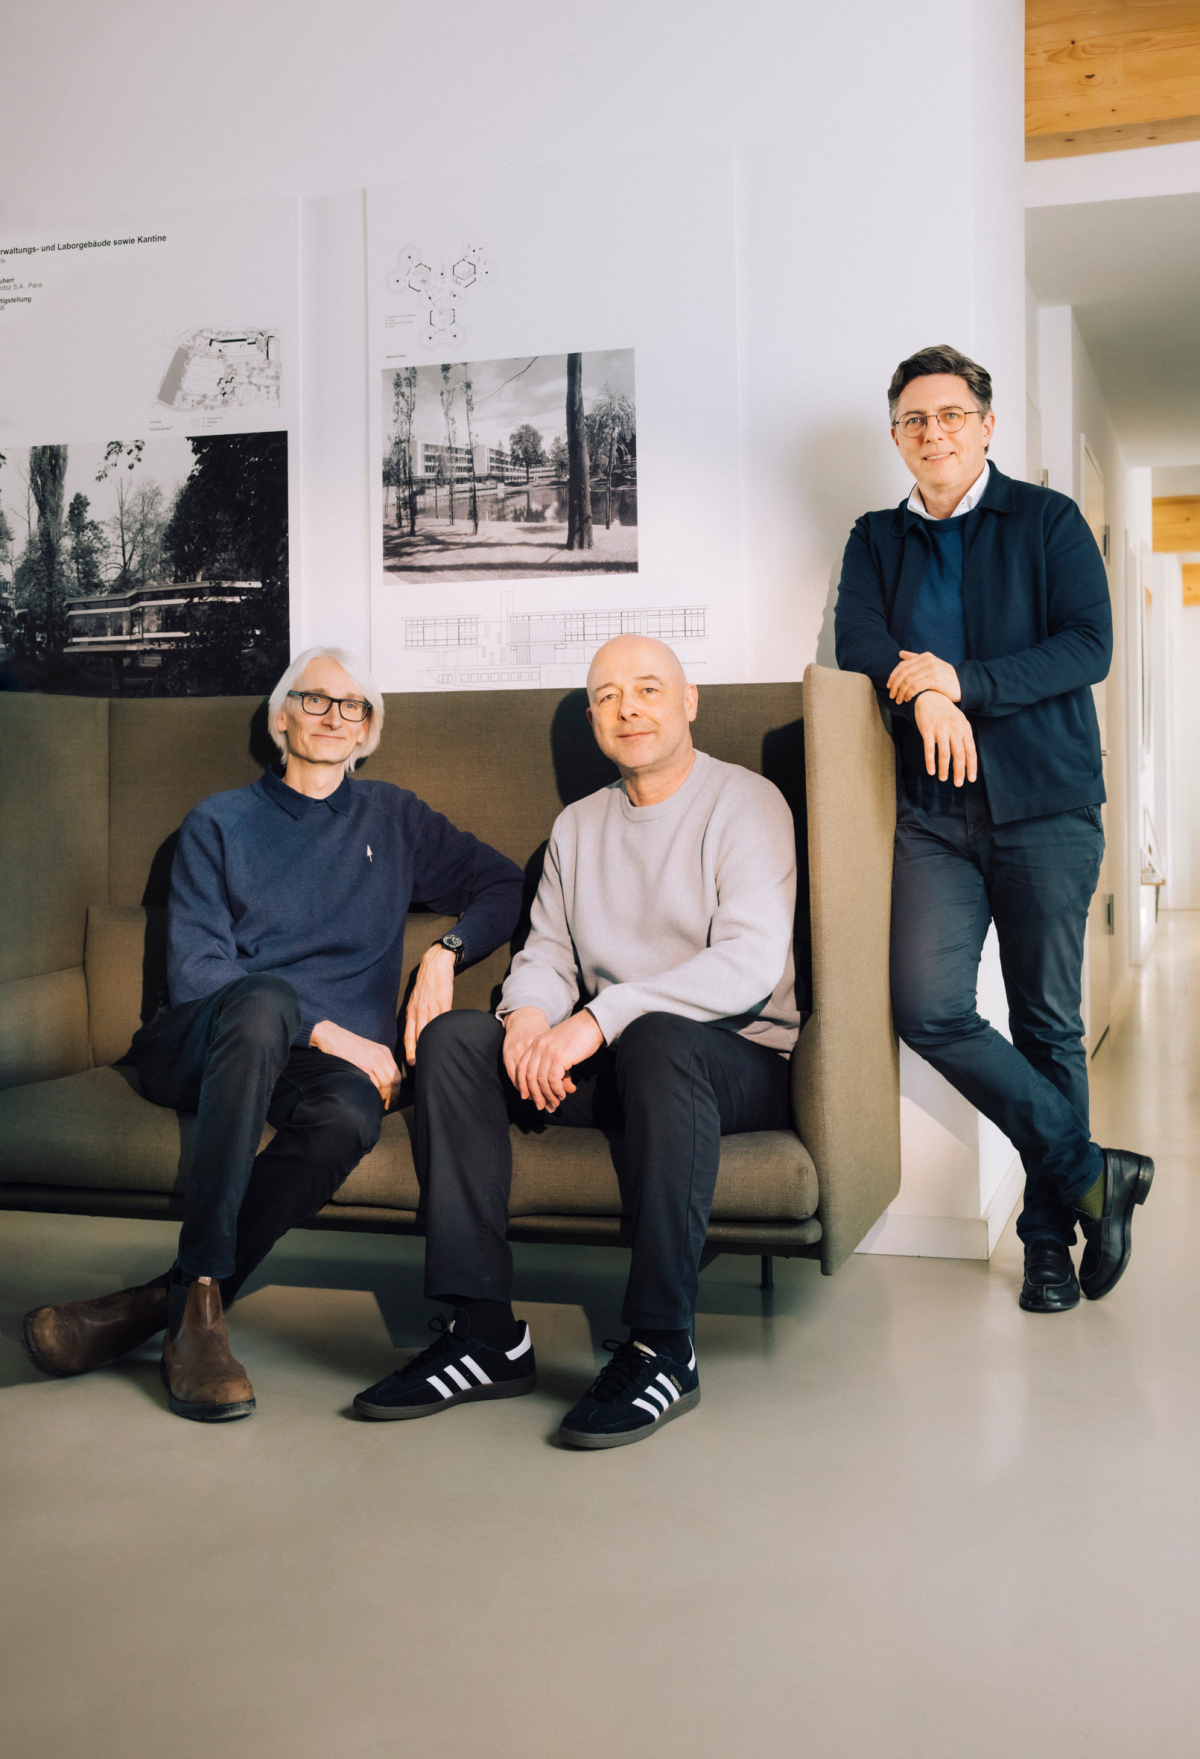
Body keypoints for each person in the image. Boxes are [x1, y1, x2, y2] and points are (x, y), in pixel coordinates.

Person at [22, 647, 523, 1420]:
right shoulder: (218, 821)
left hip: (310, 1072)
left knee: (350, 1115)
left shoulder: (393, 818)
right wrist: (329, 1032)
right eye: (314, 699)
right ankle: (199, 1318)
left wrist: (444, 954)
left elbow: (504, 882)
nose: (333, 716)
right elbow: (199, 972)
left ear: (368, 730)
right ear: (281, 716)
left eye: (352, 706)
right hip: (209, 1041)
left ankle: (171, 1303)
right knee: (264, 1004)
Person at [353, 634, 801, 1448]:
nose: (628, 708)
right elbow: (547, 955)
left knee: (659, 1040)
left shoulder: (747, 802)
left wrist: (596, 1020)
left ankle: (663, 1345)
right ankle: (484, 1334)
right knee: (456, 1039)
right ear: (594, 720)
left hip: (733, 1058)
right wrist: (527, 1019)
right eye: (606, 696)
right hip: (619, 1062)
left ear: (689, 701)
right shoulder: (577, 826)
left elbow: (749, 962)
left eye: (648, 688)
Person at [835, 343, 1153, 1315]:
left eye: (951, 415)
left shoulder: (1048, 520)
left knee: (1047, 1022)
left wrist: (961, 682)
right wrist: (925, 694)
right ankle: (1093, 1170)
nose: (933, 433)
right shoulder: (876, 538)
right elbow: (858, 640)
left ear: (986, 425)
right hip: (932, 816)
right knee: (928, 1005)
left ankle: (1046, 1238)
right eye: (914, 420)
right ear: (897, 436)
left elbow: (1088, 646)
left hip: (1046, 808)